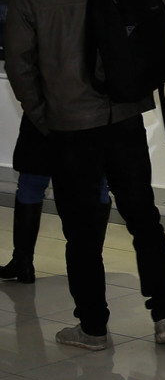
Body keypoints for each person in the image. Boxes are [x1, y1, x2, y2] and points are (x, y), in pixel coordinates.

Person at [5, 0, 165, 349]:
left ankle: (93, 327)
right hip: (124, 117)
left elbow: (20, 66)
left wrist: (41, 114)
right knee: (143, 218)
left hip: (69, 127)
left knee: (81, 232)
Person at [0, 116, 111, 284]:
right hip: (92, 117)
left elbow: (25, 89)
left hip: (44, 114)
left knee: (31, 183)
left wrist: (36, 110)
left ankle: (23, 264)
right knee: (97, 184)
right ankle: (90, 263)